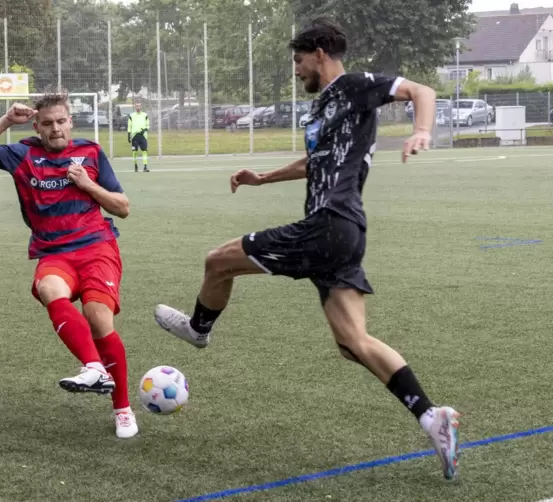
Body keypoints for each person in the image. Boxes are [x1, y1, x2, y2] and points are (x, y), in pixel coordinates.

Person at [153, 18, 460, 479]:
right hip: (343, 234)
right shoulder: (321, 111)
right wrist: (264, 177)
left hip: (330, 225)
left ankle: (199, 330)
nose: (296, 71)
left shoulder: (355, 86)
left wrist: (422, 131)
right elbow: (316, 162)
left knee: (218, 261)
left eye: (298, 61)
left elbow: (423, 91)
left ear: (320, 53)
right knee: (353, 343)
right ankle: (431, 417)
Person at [0, 91, 138, 439]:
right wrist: (6, 121)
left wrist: (87, 184)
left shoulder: (91, 153)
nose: (55, 128)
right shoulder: (23, 153)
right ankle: (93, 367)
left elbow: (122, 207)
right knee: (48, 288)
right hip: (53, 252)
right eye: (47, 123)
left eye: (61, 121)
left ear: (70, 121)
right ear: (37, 126)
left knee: (99, 318)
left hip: (97, 248)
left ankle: (123, 409)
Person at [127, 101, 149, 172]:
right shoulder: (131, 116)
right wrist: (128, 136)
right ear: (135, 107)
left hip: (143, 136)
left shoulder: (145, 115)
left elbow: (148, 126)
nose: (138, 107)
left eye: (139, 106)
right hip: (134, 136)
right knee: (134, 152)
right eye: (136, 106)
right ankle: (135, 166)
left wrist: (144, 130)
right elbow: (129, 127)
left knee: (144, 151)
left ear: (141, 107)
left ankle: (145, 167)